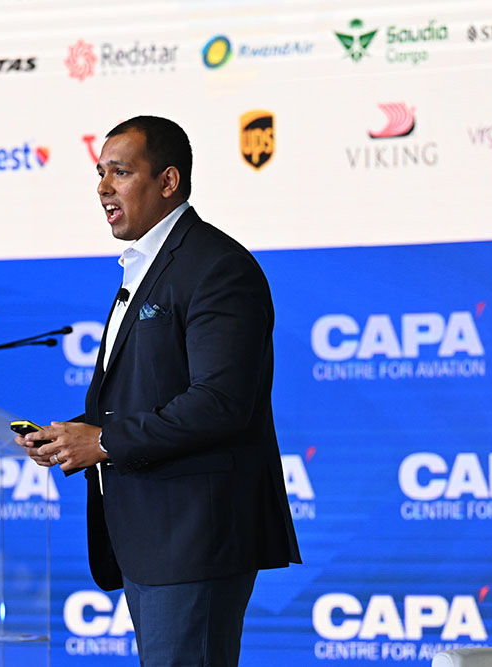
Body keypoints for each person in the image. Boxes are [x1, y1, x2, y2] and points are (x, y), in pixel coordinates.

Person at [16, 116, 300, 666]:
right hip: (149, 537)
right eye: (100, 173)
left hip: (194, 537)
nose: (103, 187)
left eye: (120, 173)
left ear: (168, 181)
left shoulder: (217, 267)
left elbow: (220, 403)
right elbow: (144, 393)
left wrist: (104, 442)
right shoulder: (146, 266)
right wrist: (72, 434)